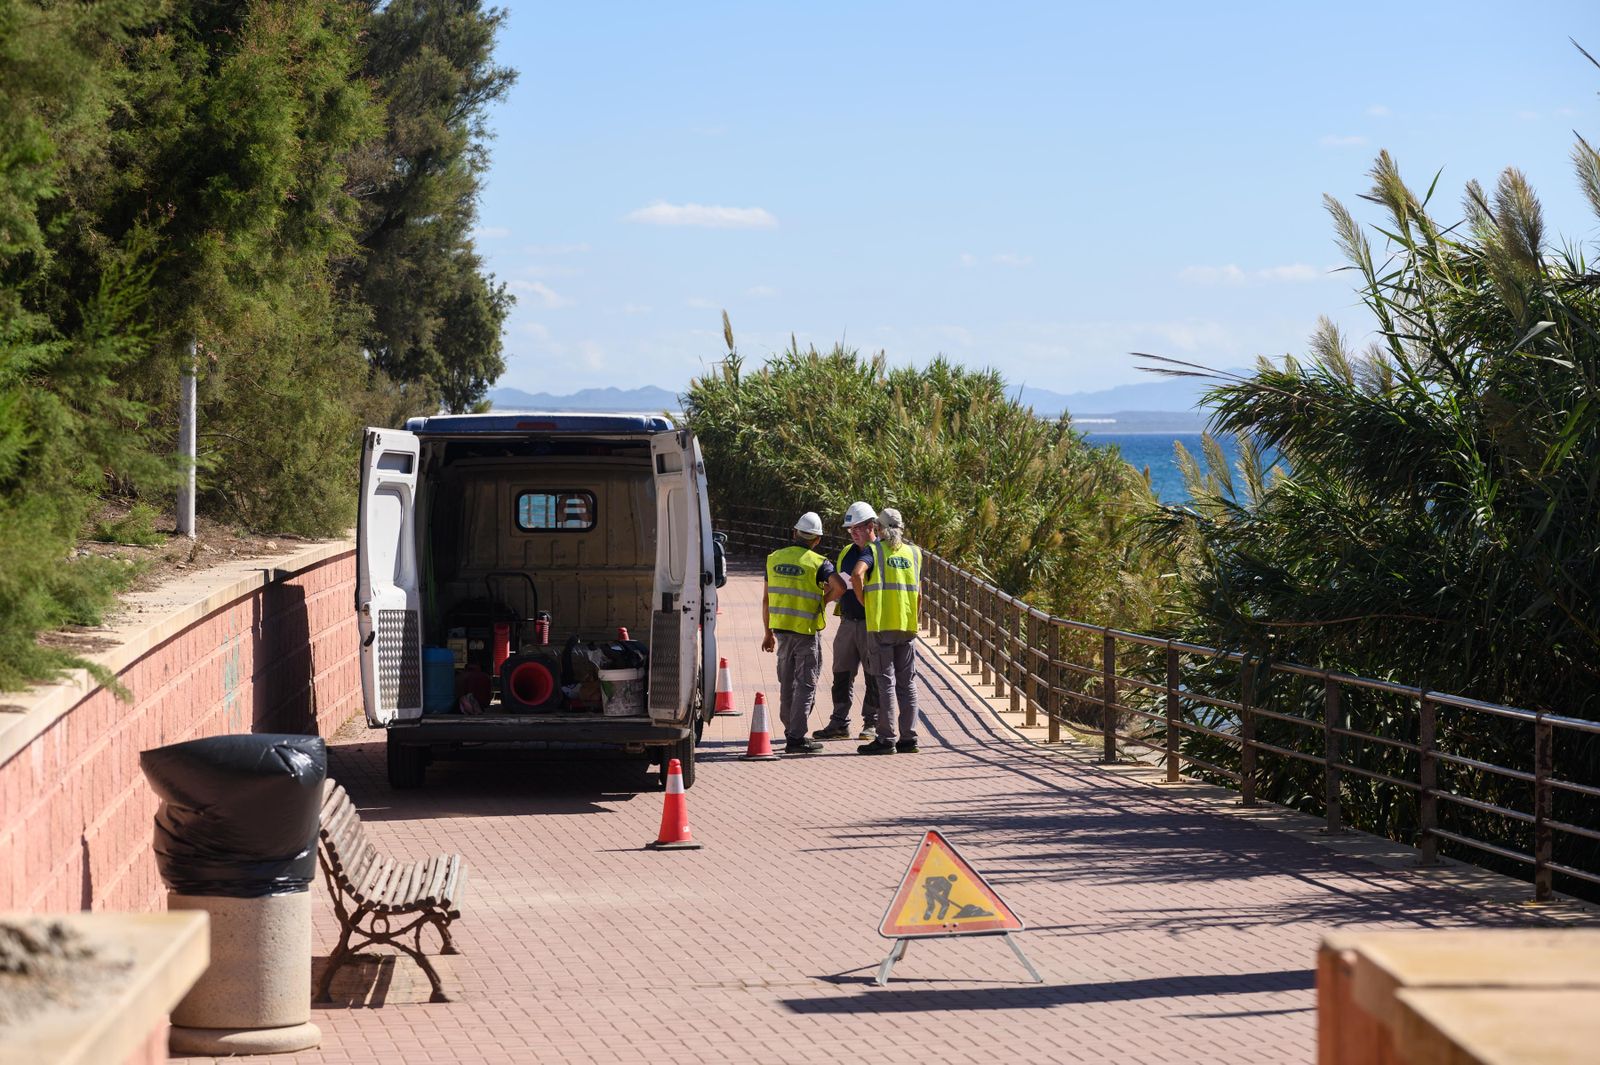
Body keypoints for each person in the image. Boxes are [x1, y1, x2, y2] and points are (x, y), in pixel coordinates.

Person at [762, 511, 847, 754]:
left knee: (786, 682)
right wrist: (822, 601)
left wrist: (768, 633)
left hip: (781, 631)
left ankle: (791, 729)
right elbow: (839, 587)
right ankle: (796, 738)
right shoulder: (819, 562)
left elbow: (766, 600)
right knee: (806, 684)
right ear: (817, 540)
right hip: (806, 632)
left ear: (794, 533)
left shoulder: (773, 559)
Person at [855, 507, 923, 755]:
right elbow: (919, 593)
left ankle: (886, 738)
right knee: (907, 684)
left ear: (879, 529)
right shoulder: (914, 553)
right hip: (906, 625)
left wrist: (865, 602)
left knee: (885, 682)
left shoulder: (874, 551)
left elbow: (856, 574)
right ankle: (909, 738)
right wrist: (914, 618)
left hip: (881, 624)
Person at [814, 501, 882, 741]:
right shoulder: (847, 552)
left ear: (871, 526)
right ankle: (839, 722)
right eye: (850, 529)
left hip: (872, 624)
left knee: (874, 674)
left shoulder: (880, 553)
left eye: (857, 528)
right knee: (841, 673)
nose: (853, 533)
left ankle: (872, 723)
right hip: (848, 622)